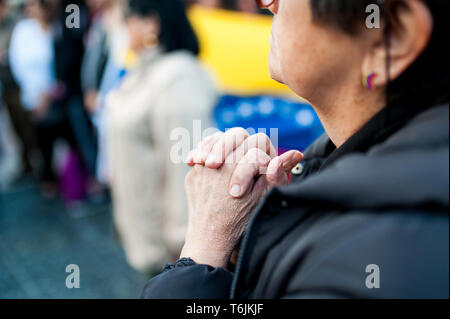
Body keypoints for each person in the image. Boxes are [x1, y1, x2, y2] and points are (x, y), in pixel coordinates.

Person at [142, 0, 449, 298]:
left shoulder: (371, 260)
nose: (265, 2)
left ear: (392, 37)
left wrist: (203, 253)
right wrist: (249, 243)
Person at [107, 0, 217, 274]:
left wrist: (182, 245)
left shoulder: (178, 76)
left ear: (150, 22)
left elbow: (186, 164)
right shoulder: (144, 70)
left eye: (127, 18)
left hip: (170, 255)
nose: (123, 27)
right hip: (147, 243)